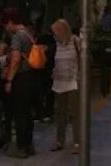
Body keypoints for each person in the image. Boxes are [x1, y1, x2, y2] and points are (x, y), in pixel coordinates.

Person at [1, 8, 38, 158]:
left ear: (10, 22)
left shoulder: (17, 36)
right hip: (31, 77)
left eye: (5, 24)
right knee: (28, 114)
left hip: (21, 78)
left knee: (20, 113)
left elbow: (16, 59)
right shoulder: (28, 34)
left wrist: (9, 80)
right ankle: (28, 145)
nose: (5, 28)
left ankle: (21, 147)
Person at [49, 19, 80, 154]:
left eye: (56, 32)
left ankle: (78, 142)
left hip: (73, 81)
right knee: (60, 113)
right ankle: (59, 140)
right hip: (58, 82)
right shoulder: (57, 44)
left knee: (75, 113)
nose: (54, 35)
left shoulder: (76, 41)